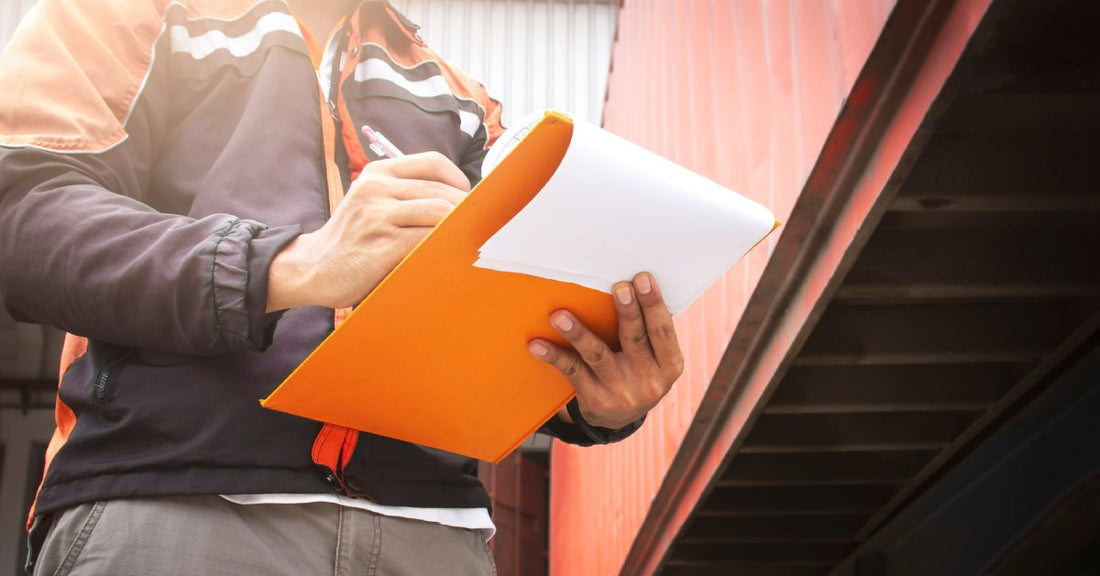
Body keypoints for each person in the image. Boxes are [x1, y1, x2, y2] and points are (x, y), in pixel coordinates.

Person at [0, 0, 684, 573]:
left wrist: (592, 396)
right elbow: (21, 215)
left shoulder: (461, 99)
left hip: (436, 534)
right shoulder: (121, 14)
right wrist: (287, 265)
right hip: (180, 508)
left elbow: (500, 313)